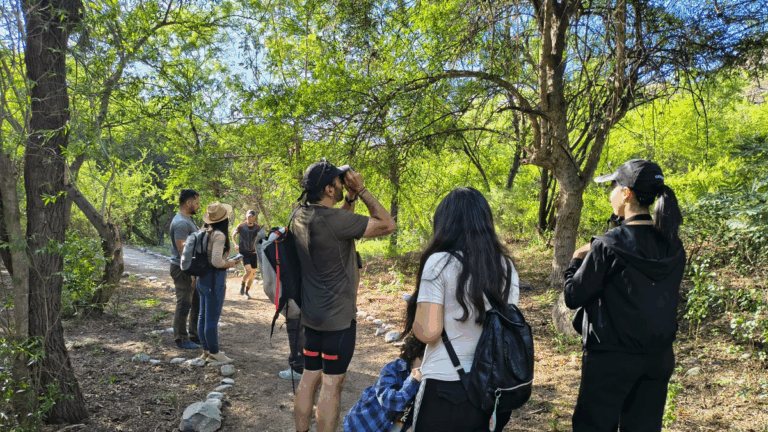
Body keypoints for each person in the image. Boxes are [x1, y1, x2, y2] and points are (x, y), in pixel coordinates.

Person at [564, 159, 685, 432]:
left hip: (610, 360)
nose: (611, 193)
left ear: (626, 193)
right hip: (658, 357)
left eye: (614, 186)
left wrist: (575, 259)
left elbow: (573, 296)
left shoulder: (608, 246)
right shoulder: (673, 246)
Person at [402, 187, 520, 432]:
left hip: (446, 387)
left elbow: (429, 332)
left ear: (445, 224)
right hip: (492, 391)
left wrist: (414, 315)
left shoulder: (440, 262)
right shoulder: (506, 267)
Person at [293, 158, 397, 432]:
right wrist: (361, 191)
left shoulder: (299, 215)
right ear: (328, 189)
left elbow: (339, 226)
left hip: (311, 316)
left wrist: (349, 197)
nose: (343, 184)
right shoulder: (335, 220)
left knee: (309, 376)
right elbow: (387, 225)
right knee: (331, 382)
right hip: (337, 321)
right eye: (339, 182)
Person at [342, 335, 426, 432]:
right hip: (361, 427)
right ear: (414, 355)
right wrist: (412, 383)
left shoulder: (427, 382)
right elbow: (388, 401)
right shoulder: (394, 368)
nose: (425, 368)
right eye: (423, 360)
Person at [197, 201, 242, 364]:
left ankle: (206, 350)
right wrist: (231, 263)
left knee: (203, 315)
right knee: (212, 318)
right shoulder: (219, 235)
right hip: (214, 279)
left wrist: (225, 260)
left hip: (202, 278)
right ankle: (215, 352)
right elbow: (216, 261)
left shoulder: (202, 231)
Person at [168, 189, 201, 350]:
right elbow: (182, 248)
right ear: (189, 203)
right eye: (197, 203)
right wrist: (192, 271)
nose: (198, 206)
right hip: (182, 269)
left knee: (196, 302)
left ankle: (195, 335)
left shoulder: (187, 220)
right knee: (184, 303)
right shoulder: (181, 222)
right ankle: (181, 338)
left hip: (189, 268)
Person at [231, 209, 263, 299]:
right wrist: (235, 244)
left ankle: (247, 292)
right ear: (246, 216)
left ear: (255, 217)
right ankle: (242, 285)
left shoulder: (258, 227)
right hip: (244, 252)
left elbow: (262, 237)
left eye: (252, 216)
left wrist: (259, 247)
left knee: (252, 275)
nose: (251, 218)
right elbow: (233, 234)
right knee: (248, 271)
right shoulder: (241, 226)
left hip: (254, 253)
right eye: (249, 216)